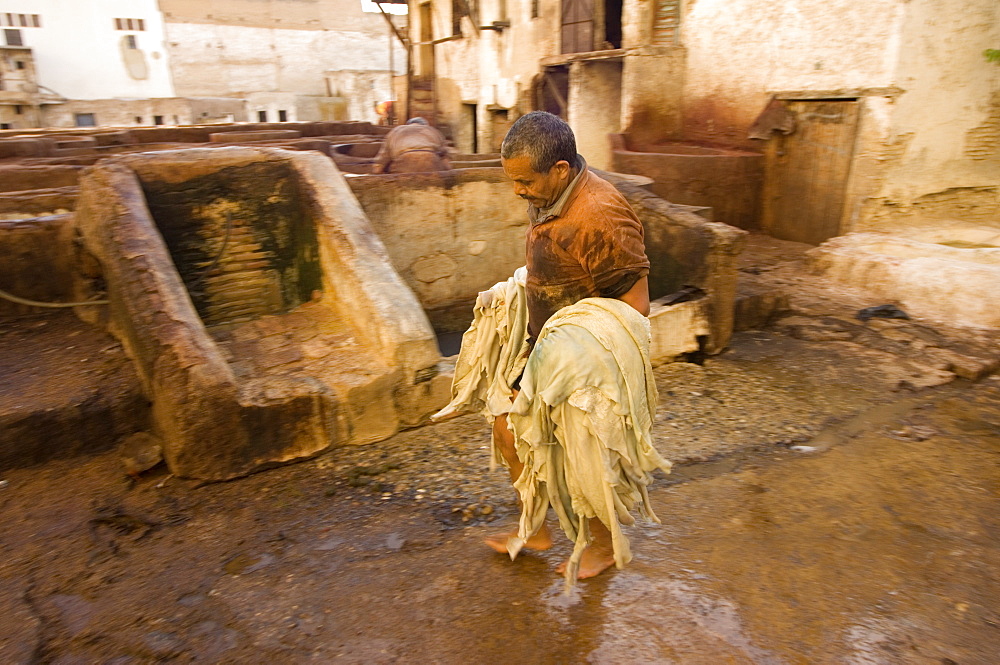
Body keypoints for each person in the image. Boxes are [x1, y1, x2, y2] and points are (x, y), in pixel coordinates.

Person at [485, 111, 662, 580]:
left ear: (559, 170)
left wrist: (575, 350)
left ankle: (603, 548)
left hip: (585, 358)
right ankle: (537, 528)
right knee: (510, 430)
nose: (518, 191)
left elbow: (636, 305)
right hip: (544, 345)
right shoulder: (554, 196)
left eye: (524, 181)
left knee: (584, 455)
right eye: (513, 180)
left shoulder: (601, 215)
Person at [371, 117, 451, 174]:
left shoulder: (396, 130)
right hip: (431, 162)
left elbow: (382, 159)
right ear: (425, 125)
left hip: (405, 163)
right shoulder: (433, 130)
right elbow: (445, 159)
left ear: (408, 125)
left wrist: (378, 170)